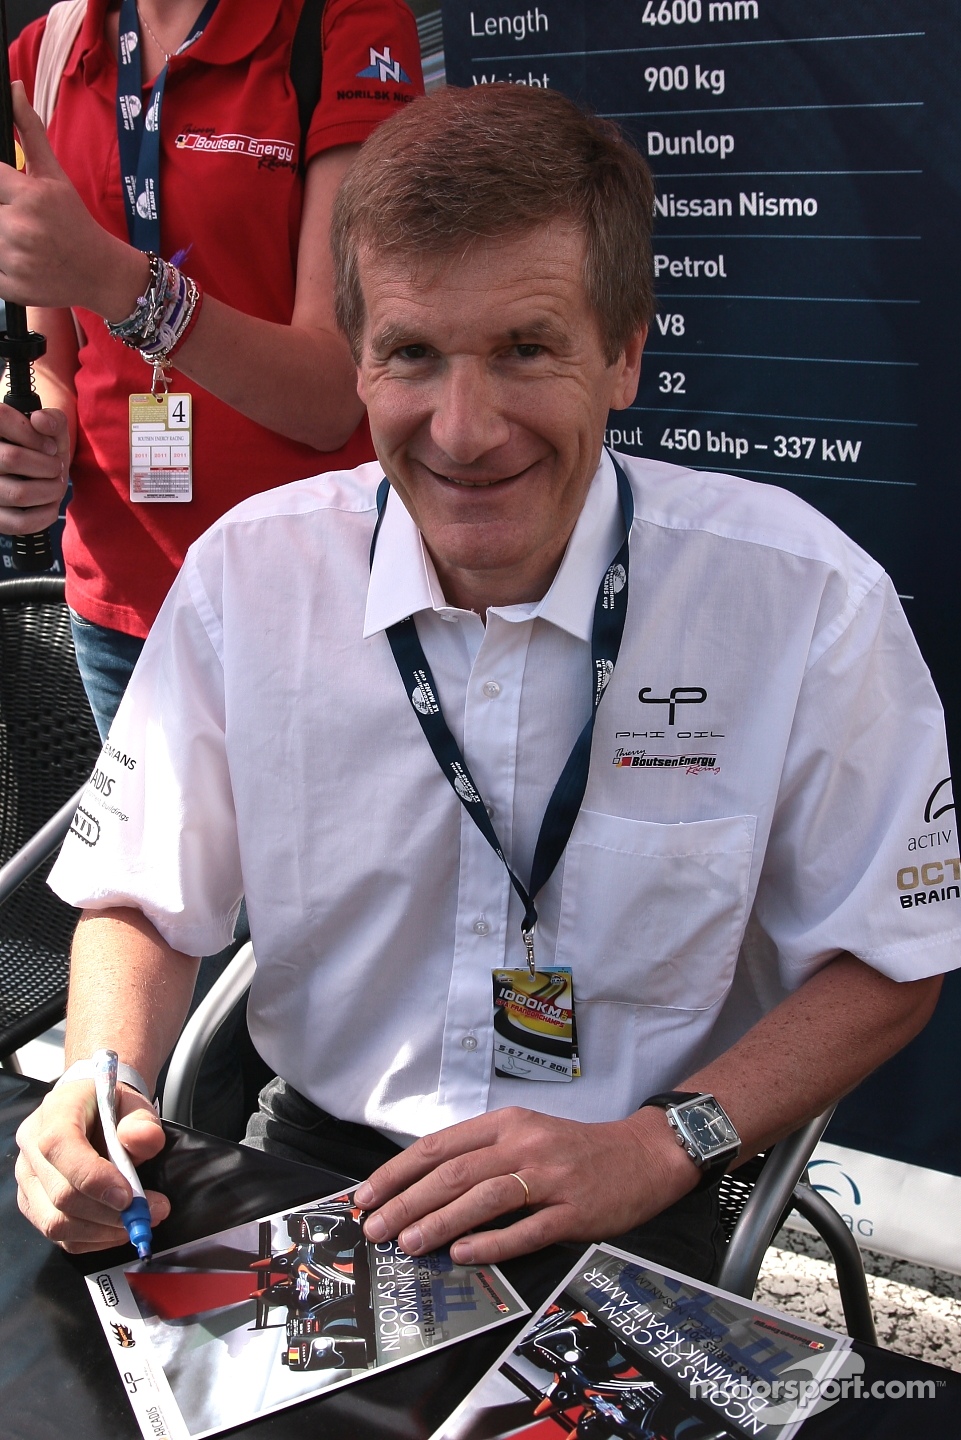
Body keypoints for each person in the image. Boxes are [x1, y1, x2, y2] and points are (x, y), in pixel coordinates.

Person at [15, 84, 956, 1281]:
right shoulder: (247, 580)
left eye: (524, 349)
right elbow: (144, 896)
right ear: (360, 363)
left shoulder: (802, 599)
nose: (463, 431)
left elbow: (891, 958)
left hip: (634, 1177)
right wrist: (99, 1086)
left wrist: (664, 1143)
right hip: (322, 1161)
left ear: (623, 354)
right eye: (412, 353)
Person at [0, 0, 424, 736]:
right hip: (119, 606)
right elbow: (53, 341)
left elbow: (335, 395)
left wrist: (124, 286)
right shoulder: (50, 48)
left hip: (307, 601)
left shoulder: (345, 23)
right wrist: (36, 440)